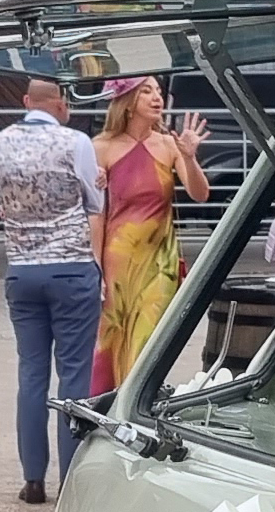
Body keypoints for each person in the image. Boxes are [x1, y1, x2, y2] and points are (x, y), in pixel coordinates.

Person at [0, 77, 105, 503]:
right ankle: (71, 476)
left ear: (25, 102)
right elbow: (93, 203)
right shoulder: (75, 142)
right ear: (60, 103)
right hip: (71, 266)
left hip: (22, 267)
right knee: (73, 373)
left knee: (31, 374)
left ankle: (33, 477)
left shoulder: (0, 143)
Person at [91, 76, 212, 391]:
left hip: (160, 262)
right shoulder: (101, 147)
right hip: (117, 261)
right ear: (127, 101)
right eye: (147, 91)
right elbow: (97, 215)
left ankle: (136, 401)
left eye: (159, 91)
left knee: (147, 337)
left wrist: (188, 156)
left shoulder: (169, 145)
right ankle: (112, 405)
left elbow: (200, 194)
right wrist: (96, 266)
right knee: (113, 338)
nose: (157, 97)